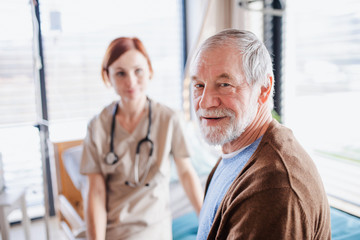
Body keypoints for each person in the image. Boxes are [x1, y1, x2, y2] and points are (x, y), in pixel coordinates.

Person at [190, 29, 331, 239]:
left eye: (225, 84)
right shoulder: (234, 154)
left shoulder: (273, 187)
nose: (205, 101)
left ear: (264, 88)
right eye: (199, 85)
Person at [80, 37, 203, 240]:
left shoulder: (169, 119)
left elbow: (186, 174)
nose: (130, 82)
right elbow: (95, 192)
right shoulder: (97, 126)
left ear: (150, 71)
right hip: (113, 230)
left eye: (138, 71)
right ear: (108, 77)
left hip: (154, 230)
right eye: (120, 73)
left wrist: (207, 221)